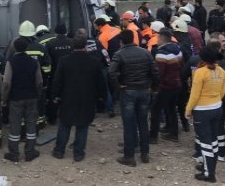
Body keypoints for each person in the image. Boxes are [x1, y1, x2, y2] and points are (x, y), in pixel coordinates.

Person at [110, 30, 159, 167]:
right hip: (144, 91)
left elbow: (111, 72)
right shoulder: (145, 53)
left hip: (128, 91)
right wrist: (154, 87)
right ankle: (145, 153)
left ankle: (129, 156)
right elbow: (155, 71)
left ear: (121, 42)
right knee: (142, 122)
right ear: (133, 39)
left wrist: (119, 85)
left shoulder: (119, 54)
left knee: (129, 124)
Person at [53, 35, 105, 162]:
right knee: (82, 125)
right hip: (87, 98)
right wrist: (101, 97)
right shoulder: (94, 61)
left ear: (72, 46)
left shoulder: (64, 60)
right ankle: (78, 153)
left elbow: (57, 81)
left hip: (68, 97)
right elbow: (101, 82)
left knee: (65, 124)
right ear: (86, 46)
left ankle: (59, 151)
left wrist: (55, 95)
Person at [187, 46, 225, 182]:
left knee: (205, 142)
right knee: (213, 140)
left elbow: (194, 94)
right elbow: (223, 91)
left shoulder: (200, 72)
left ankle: (209, 174)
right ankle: (207, 166)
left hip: (202, 110)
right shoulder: (221, 71)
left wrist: (188, 110)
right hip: (217, 108)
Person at [1, 38, 43, 162]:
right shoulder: (34, 62)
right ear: (27, 48)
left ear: (15, 48)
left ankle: (14, 154)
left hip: (16, 99)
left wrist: (4, 99)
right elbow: (39, 81)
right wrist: (38, 94)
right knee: (31, 124)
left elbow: (6, 83)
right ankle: (30, 152)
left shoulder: (11, 62)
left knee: (15, 125)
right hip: (31, 97)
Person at [149, 30, 183, 143]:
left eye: (158, 38)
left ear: (162, 38)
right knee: (171, 108)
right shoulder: (177, 49)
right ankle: (173, 132)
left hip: (165, 85)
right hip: (176, 83)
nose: (157, 40)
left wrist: (154, 87)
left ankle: (153, 136)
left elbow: (159, 72)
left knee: (155, 110)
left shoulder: (162, 53)